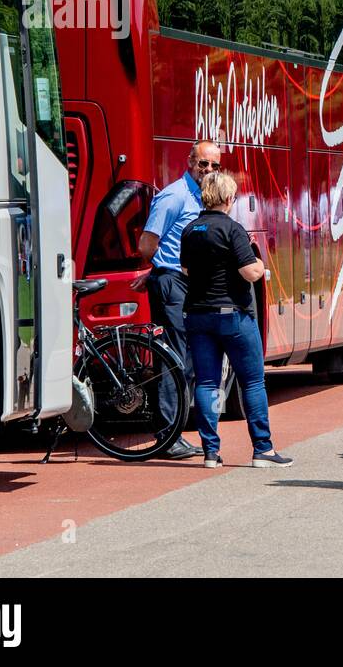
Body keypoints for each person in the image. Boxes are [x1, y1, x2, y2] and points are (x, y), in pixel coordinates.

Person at [180, 170, 293, 469]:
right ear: (229, 199)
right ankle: (263, 449)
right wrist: (258, 261)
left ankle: (210, 453)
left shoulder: (190, 230)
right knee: (253, 381)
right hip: (233, 316)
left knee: (206, 383)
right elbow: (250, 272)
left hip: (198, 314)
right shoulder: (233, 230)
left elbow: (187, 271)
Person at [132, 139, 222, 460]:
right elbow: (147, 243)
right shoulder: (174, 196)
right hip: (173, 285)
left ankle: (175, 431)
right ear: (189, 162)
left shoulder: (201, 198)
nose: (208, 170)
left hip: (187, 284)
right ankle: (168, 437)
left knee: (188, 360)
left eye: (214, 165)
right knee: (173, 359)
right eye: (203, 164)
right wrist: (160, 271)